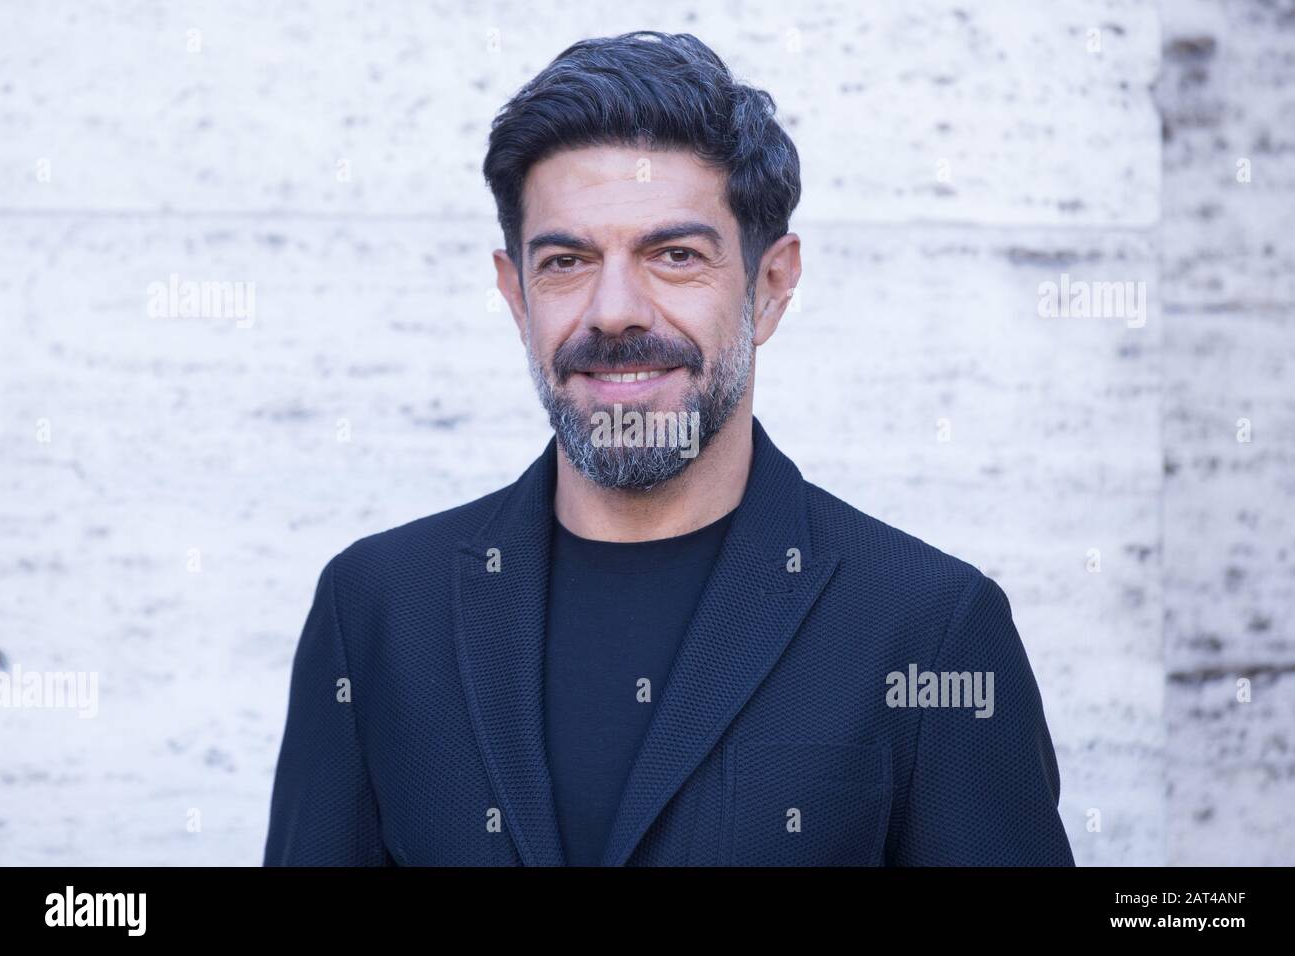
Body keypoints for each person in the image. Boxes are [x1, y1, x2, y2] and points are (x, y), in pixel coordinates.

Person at [264, 30, 1074, 867]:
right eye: (568, 260)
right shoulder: (375, 613)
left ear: (771, 287)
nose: (614, 311)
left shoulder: (931, 627)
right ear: (516, 295)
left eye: (674, 255)